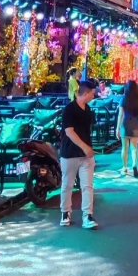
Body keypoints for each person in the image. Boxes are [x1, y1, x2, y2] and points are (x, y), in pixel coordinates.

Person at [59, 79, 98, 230]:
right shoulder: (69, 109)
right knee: (67, 185)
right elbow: (69, 132)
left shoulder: (87, 110)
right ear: (85, 93)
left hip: (86, 155)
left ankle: (88, 215)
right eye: (93, 93)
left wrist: (88, 148)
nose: (94, 96)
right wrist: (84, 146)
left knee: (87, 186)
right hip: (70, 153)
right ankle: (65, 212)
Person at [116, 80, 138, 177]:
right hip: (135, 123)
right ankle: (134, 165)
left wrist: (117, 128)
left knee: (125, 147)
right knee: (134, 147)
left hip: (125, 122)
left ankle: (124, 167)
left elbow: (120, 114)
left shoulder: (123, 99)